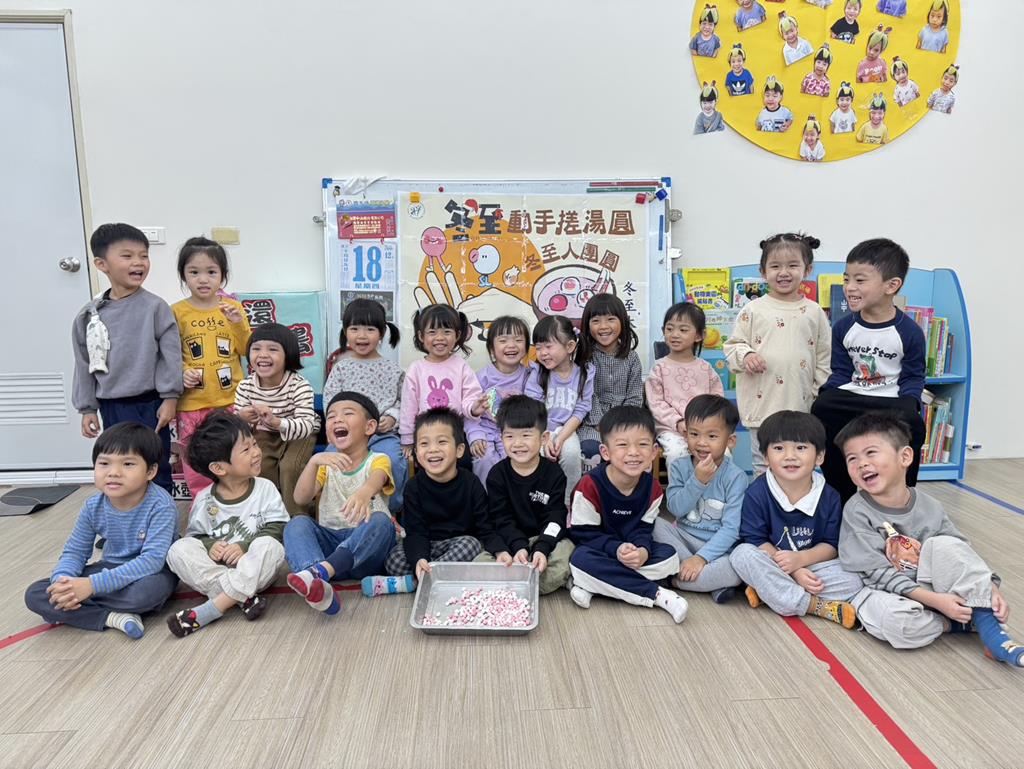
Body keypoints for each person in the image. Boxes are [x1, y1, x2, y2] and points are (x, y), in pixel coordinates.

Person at [837, 412, 1024, 665]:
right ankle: (959, 622)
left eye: (871, 453)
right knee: (897, 623)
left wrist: (989, 588)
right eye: (852, 458)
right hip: (884, 591)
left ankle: (988, 624)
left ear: (905, 457)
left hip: (931, 585)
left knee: (946, 544)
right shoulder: (856, 510)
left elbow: (959, 552)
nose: (861, 464)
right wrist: (935, 602)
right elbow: (874, 572)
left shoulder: (930, 506)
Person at [24, 422, 178, 639]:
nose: (113, 472)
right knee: (35, 594)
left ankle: (78, 609)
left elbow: (152, 561)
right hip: (110, 568)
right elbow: (75, 552)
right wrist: (63, 582)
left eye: (128, 464)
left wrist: (91, 586)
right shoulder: (92, 507)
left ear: (150, 471)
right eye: (104, 463)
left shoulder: (161, 505)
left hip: (151, 573)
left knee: (146, 594)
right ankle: (113, 617)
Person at [811, 238, 926, 503]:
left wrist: (910, 401)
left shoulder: (909, 332)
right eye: (846, 279)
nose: (849, 287)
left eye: (860, 280)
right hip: (853, 395)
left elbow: (912, 376)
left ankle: (902, 493)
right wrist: (829, 393)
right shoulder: (843, 328)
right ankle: (839, 490)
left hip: (890, 399)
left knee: (913, 422)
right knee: (822, 406)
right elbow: (841, 372)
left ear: (891, 285)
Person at [71, 223, 182, 493]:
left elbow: (170, 356)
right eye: (127, 256)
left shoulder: (155, 307)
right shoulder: (89, 315)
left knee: (155, 463)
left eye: (144, 256)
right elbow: (84, 363)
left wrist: (170, 398)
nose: (138, 262)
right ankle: (126, 514)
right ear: (101, 264)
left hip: (150, 404)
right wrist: (87, 408)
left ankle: (161, 516)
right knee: (120, 464)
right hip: (111, 406)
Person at [729, 411, 862, 628]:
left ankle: (769, 591)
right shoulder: (757, 492)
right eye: (779, 448)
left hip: (811, 566)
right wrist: (793, 570)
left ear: (819, 457)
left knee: (854, 580)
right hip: (772, 562)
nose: (790, 456)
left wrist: (800, 560)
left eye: (800, 448)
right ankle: (813, 605)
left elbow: (831, 546)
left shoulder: (830, 496)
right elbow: (755, 540)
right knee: (741, 555)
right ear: (766, 457)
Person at [165, 412, 288, 637]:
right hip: (218, 572)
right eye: (246, 449)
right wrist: (210, 545)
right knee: (178, 550)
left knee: (271, 547)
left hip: (255, 572)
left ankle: (214, 608)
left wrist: (245, 546)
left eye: (254, 444)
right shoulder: (204, 499)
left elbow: (279, 526)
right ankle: (242, 598)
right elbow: (196, 537)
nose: (256, 452)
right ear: (219, 468)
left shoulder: (265, 488)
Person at [565, 406, 689, 623]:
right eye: (622, 445)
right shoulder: (589, 486)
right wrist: (616, 548)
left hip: (630, 553)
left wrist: (642, 550)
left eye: (642, 444)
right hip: (597, 550)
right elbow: (583, 535)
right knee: (579, 561)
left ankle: (594, 584)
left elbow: (643, 529)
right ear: (605, 452)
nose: (633, 452)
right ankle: (658, 595)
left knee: (669, 557)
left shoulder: (653, 488)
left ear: (654, 451)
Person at [724, 233, 831, 475]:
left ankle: (796, 500)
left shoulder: (814, 312)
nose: (784, 272)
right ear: (763, 272)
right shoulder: (753, 309)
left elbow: (824, 357)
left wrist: (816, 393)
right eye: (775, 266)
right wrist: (746, 355)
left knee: (799, 464)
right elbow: (733, 346)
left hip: (801, 407)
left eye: (792, 265)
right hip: (762, 406)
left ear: (807, 269)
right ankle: (763, 500)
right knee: (763, 465)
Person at [285, 392, 397, 614]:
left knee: (381, 521)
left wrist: (365, 492)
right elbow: (300, 498)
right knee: (296, 524)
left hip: (364, 552)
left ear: (369, 427)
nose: (337, 419)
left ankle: (318, 574)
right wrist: (314, 462)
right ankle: (317, 583)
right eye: (331, 416)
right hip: (330, 544)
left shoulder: (378, 459)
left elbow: (378, 478)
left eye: (347, 413)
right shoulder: (325, 465)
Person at [171, 237, 251, 497]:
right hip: (192, 404)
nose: (203, 279)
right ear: (183, 275)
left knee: (234, 456)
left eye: (211, 272)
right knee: (195, 460)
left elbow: (246, 350)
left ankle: (237, 502)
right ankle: (202, 506)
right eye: (194, 272)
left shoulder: (233, 308)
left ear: (223, 275)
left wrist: (237, 323)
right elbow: (169, 353)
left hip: (230, 401)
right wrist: (183, 371)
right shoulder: (176, 312)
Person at [474, 396, 574, 594]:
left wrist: (542, 548)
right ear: (501, 437)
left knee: (567, 550)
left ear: (543, 438)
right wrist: (518, 547)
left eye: (526, 435)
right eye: (510, 436)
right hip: (509, 539)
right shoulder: (497, 475)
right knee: (480, 562)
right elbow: (501, 519)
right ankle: (530, 583)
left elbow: (555, 518)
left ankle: (514, 584)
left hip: (543, 538)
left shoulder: (554, 474)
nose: (517, 443)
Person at [655, 395, 746, 603]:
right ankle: (707, 581)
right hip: (683, 539)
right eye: (694, 434)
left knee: (735, 568)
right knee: (654, 524)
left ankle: (674, 580)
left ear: (730, 441)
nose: (701, 442)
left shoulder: (736, 477)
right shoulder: (679, 466)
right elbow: (676, 509)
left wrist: (702, 558)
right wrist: (697, 481)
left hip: (718, 548)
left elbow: (731, 529)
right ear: (685, 434)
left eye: (712, 436)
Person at [321, 298, 406, 512]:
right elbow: (330, 402)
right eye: (354, 329)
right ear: (345, 332)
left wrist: (392, 417)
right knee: (331, 462)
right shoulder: (341, 368)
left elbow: (403, 401)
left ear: (382, 333)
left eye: (370, 329)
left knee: (393, 461)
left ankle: (391, 512)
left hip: (383, 436)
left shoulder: (394, 370)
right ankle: (340, 511)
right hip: (346, 438)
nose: (361, 335)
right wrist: (337, 427)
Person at [385, 408, 488, 579]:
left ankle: (421, 579)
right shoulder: (413, 487)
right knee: (394, 560)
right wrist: (420, 559)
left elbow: (485, 526)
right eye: (424, 444)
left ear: (459, 450)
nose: (433, 449)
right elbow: (415, 532)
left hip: (459, 543)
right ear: (416, 452)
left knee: (471, 545)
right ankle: (435, 574)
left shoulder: (471, 483)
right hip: (427, 544)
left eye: (441, 442)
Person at [234, 323, 320, 515]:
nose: (263, 355)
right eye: (256, 349)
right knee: (259, 466)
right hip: (263, 434)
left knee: (290, 468)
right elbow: (238, 426)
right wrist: (242, 417)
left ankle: (297, 517)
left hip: (299, 435)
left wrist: (277, 423)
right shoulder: (246, 386)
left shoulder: (299, 385)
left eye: (272, 349)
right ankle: (269, 516)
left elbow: (307, 424)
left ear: (287, 355)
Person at [399, 304, 487, 469]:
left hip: (454, 433)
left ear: (457, 335)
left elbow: (470, 396)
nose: (440, 338)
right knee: (424, 466)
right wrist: (407, 439)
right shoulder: (416, 369)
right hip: (426, 434)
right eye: (432, 332)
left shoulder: (461, 366)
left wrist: (474, 408)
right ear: (421, 336)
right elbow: (408, 407)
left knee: (463, 463)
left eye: (447, 332)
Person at [525, 315, 595, 503]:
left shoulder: (584, 374)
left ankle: (568, 504)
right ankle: (539, 504)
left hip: (566, 429)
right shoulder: (538, 374)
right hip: (539, 429)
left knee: (571, 455)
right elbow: (534, 409)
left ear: (570, 346)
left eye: (548, 346)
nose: (543, 353)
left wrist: (561, 437)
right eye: (538, 347)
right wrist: (546, 437)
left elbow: (581, 409)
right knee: (538, 456)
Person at [645, 302, 723, 469]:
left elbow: (717, 401)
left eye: (683, 330)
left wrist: (706, 424)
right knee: (676, 453)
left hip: (704, 429)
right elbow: (656, 404)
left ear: (699, 335)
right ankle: (680, 487)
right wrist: (679, 422)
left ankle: (714, 487)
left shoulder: (706, 368)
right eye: (669, 329)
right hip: (671, 429)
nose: (675, 334)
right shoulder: (659, 368)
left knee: (723, 453)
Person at [575, 293, 643, 464]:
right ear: (587, 325)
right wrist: (602, 423)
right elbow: (587, 394)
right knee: (591, 449)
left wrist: (621, 423)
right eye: (596, 321)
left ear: (623, 322)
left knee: (634, 449)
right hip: (593, 424)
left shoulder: (632, 358)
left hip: (625, 423)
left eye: (611, 319)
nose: (603, 326)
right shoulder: (585, 357)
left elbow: (635, 397)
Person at [469, 315, 531, 485]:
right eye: (503, 340)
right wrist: (475, 436)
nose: (511, 345)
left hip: (515, 431)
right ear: (491, 348)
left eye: (518, 340)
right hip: (486, 430)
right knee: (483, 457)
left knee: (515, 459)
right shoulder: (481, 377)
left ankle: (511, 498)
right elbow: (469, 413)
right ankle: (486, 498)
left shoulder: (529, 376)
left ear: (526, 346)